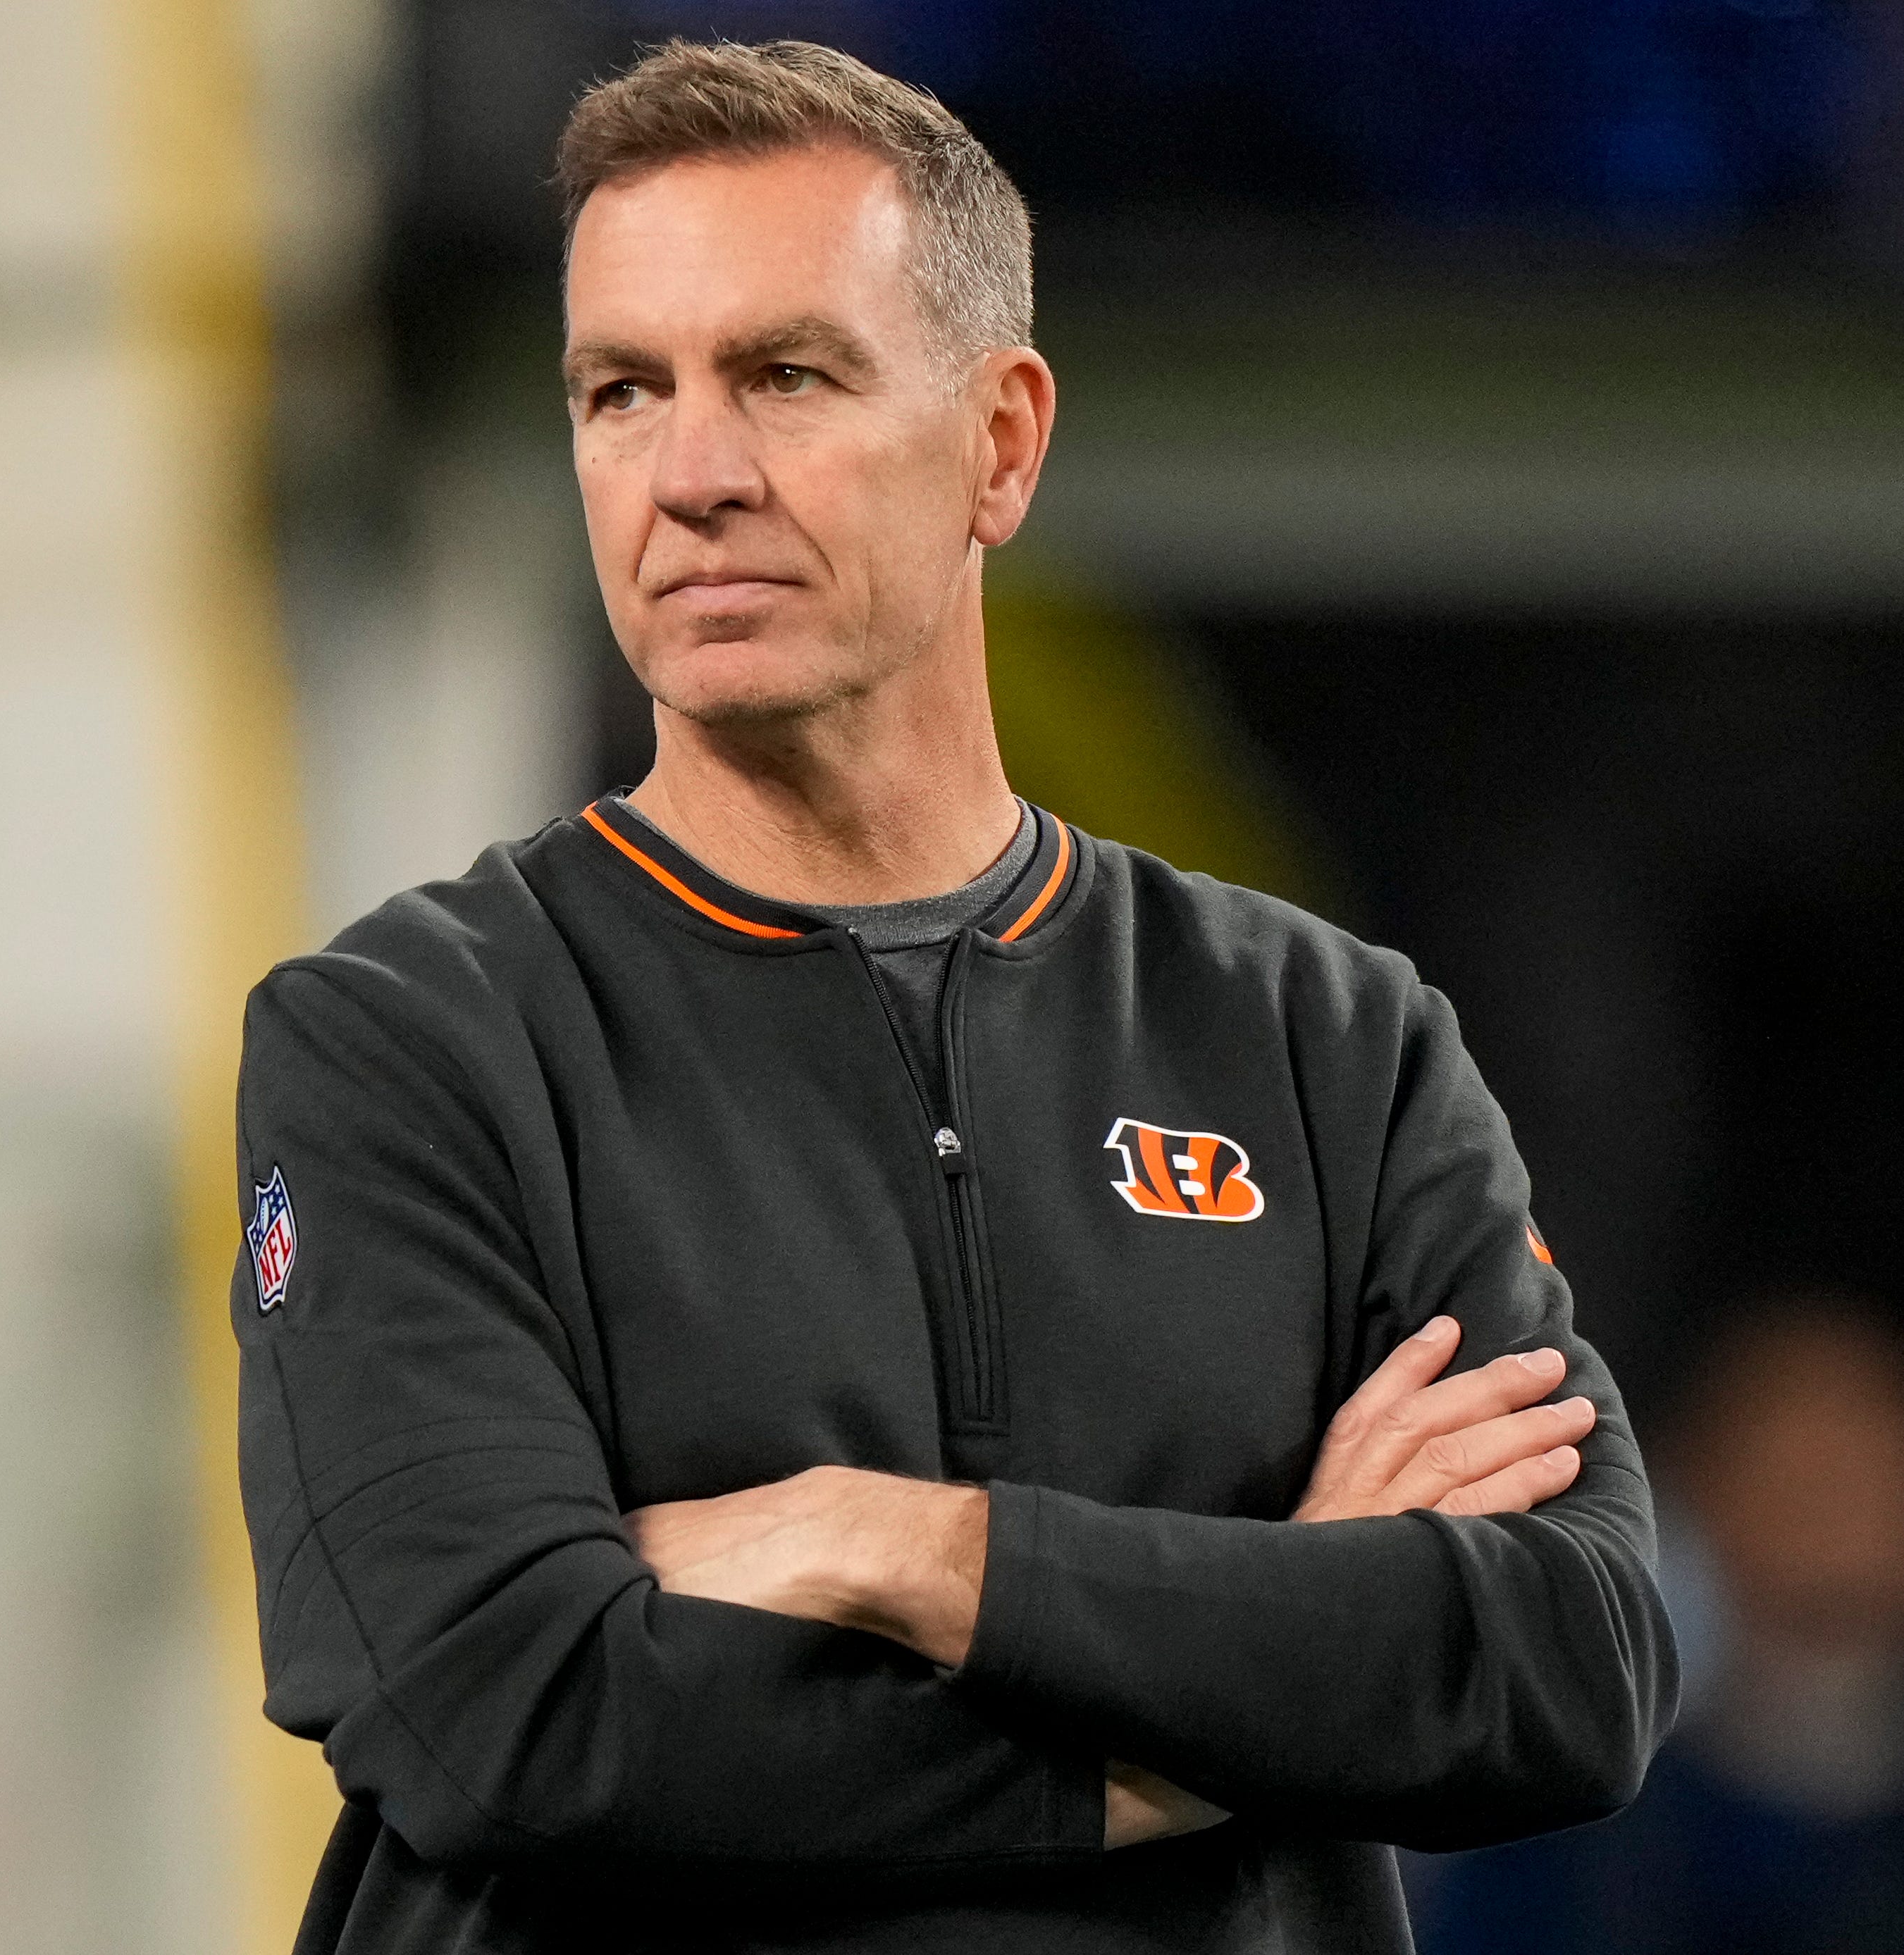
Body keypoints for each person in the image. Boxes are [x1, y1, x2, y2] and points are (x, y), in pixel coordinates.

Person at [231, 39, 1674, 1953]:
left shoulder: (1325, 1035)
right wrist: (1254, 1678)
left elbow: (1568, 1662)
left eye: (786, 374)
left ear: (1001, 440)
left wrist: (902, 1545)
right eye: (618, 390)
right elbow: (513, 1712)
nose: (692, 473)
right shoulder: (405, 1042)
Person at [1418, 1292, 1904, 1953]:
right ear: (1696, 1483)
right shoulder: (1573, 1806)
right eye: (1791, 1470)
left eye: (1859, 1467)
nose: (1828, 1511)